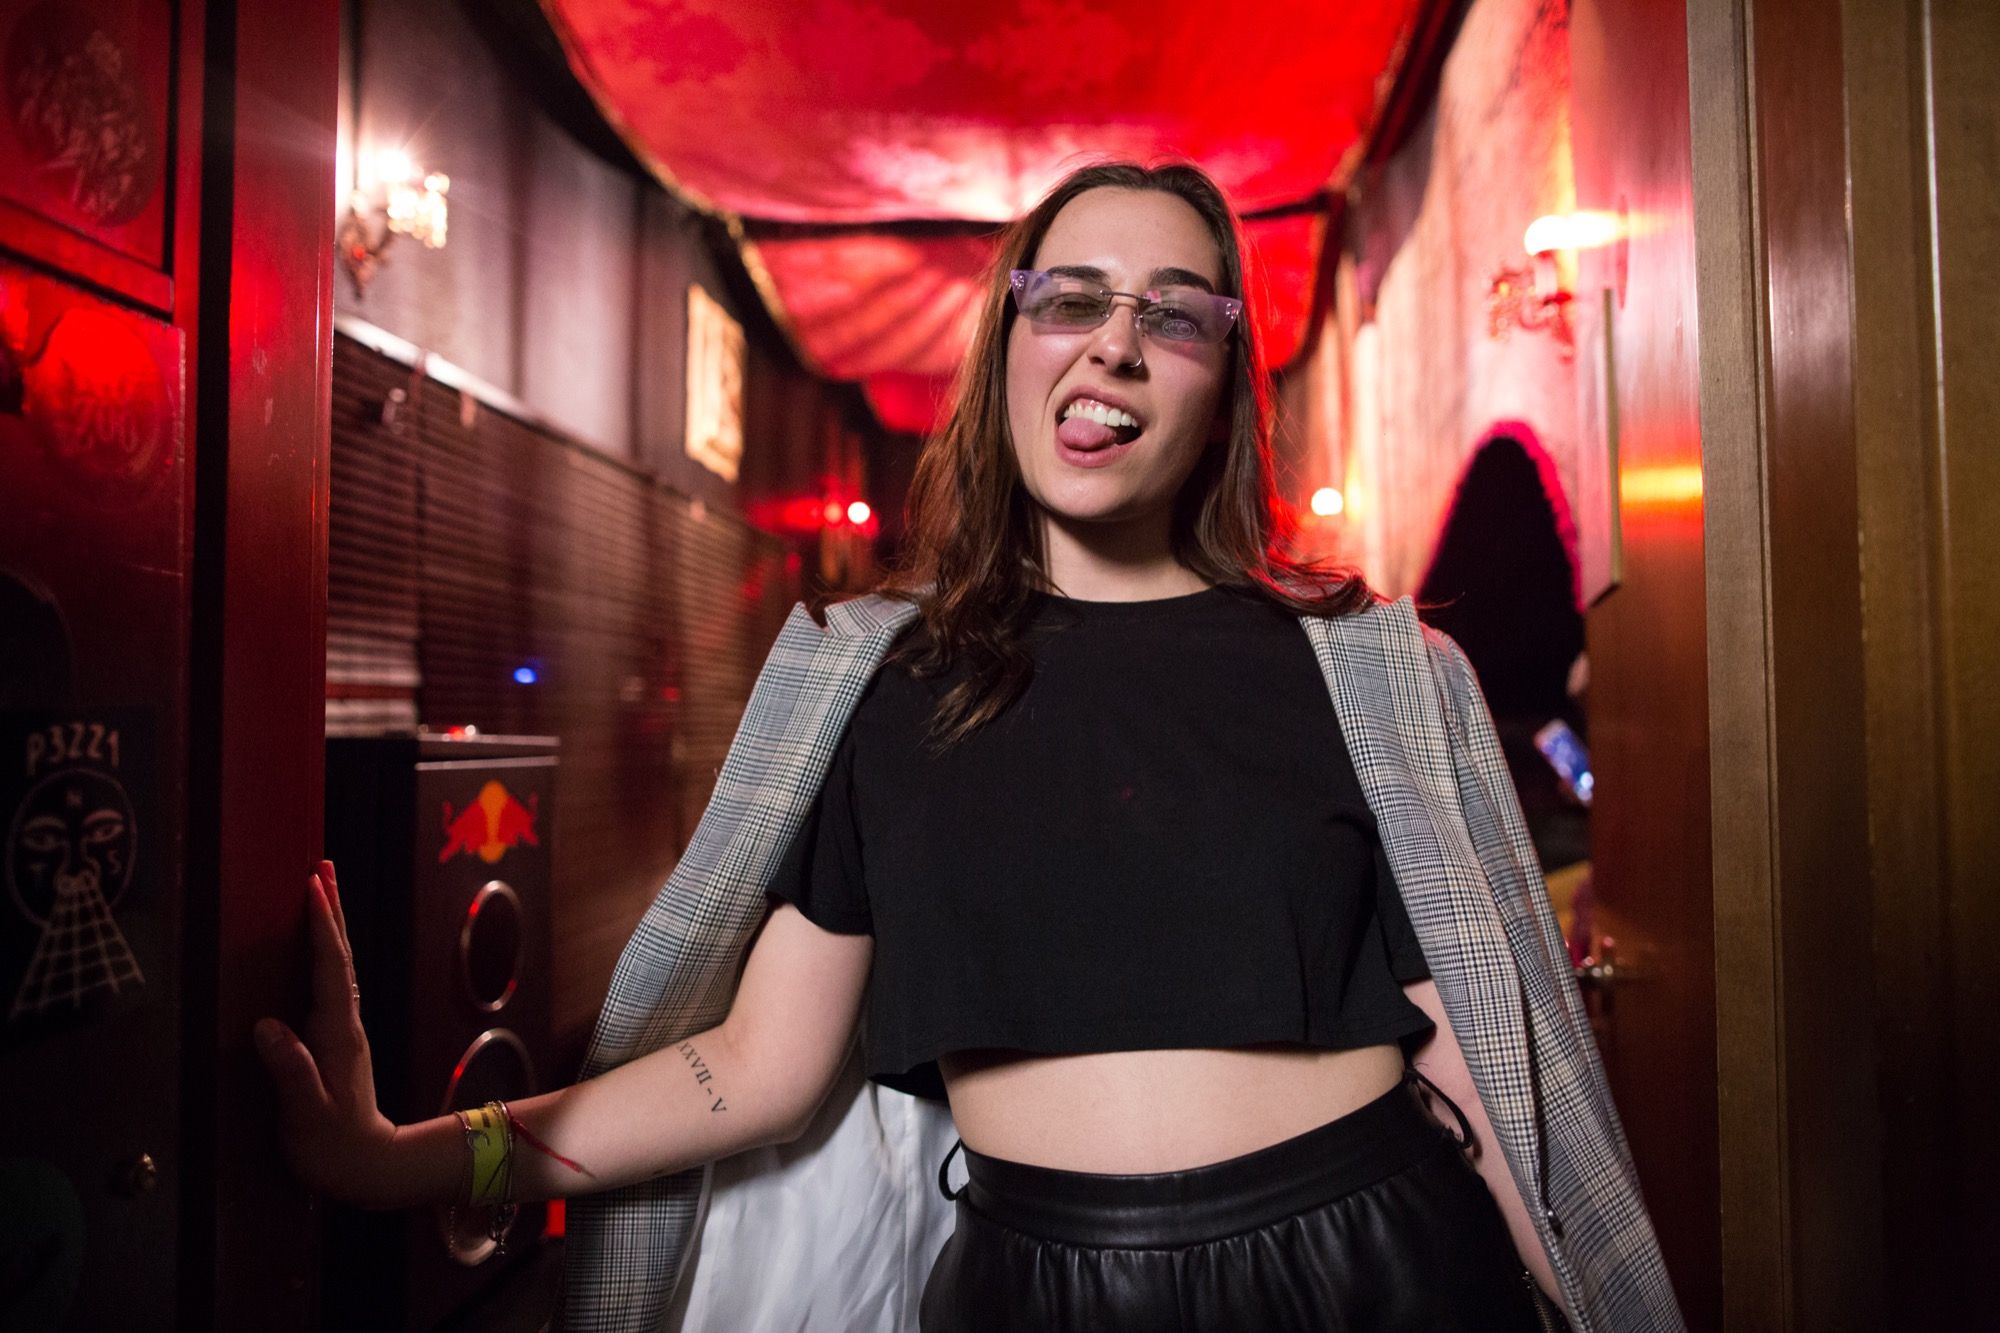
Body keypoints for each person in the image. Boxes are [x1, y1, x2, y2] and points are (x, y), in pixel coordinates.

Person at [255, 161, 1681, 1331]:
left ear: (1219, 391)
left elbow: (1493, 1073)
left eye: (1175, 315)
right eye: (1072, 299)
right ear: (1010, 344)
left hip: (1370, 1263)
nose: (1115, 341)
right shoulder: (881, 682)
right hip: (1028, 1288)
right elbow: (749, 1067)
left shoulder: (1357, 669)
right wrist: (410, 1160)